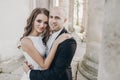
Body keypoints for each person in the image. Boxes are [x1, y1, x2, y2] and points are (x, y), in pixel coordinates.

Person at [23, 7, 77, 80]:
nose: (53, 21)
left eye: (57, 18)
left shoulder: (68, 42)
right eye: (51, 17)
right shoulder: (45, 36)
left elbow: (56, 74)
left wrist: (30, 73)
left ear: (65, 20)